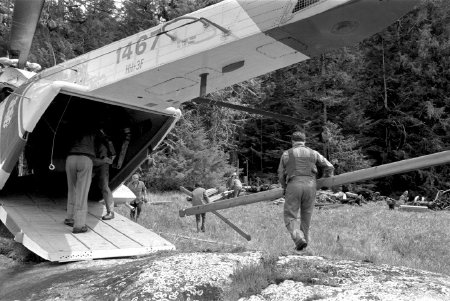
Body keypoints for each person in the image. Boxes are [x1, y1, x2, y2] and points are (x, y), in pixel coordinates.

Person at [278, 130, 334, 252]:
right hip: (311, 185)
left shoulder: (286, 154)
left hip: (294, 185)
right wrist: (324, 180)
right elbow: (329, 166)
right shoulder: (313, 153)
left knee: (290, 215)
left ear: (292, 141)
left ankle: (298, 238)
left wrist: (284, 187)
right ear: (304, 141)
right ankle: (304, 246)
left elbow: (281, 173)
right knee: (306, 216)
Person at [64, 124, 97, 234]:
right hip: (85, 158)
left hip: (71, 158)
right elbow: (105, 142)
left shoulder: (72, 128)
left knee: (71, 189)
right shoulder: (94, 129)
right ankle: (79, 225)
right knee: (82, 193)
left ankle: (69, 218)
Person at [92, 129, 116, 220]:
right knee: (83, 184)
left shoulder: (103, 138)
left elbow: (113, 154)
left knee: (104, 187)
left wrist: (107, 160)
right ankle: (75, 206)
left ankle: (110, 212)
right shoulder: (102, 137)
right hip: (96, 161)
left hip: (101, 163)